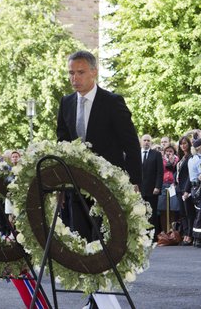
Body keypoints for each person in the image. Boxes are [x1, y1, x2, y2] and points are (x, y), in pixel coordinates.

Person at [56, 50, 142, 241]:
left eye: (80, 72)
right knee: (80, 240)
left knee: (106, 242)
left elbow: (131, 144)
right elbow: (61, 144)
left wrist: (134, 181)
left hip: (109, 185)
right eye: (71, 73)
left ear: (94, 72)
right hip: (77, 186)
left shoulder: (112, 102)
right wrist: (60, 185)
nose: (74, 78)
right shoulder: (66, 103)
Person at [139, 134, 164, 239]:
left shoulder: (156, 154)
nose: (146, 142)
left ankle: (152, 236)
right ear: (141, 141)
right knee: (140, 212)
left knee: (152, 213)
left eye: (148, 140)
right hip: (139, 189)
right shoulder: (136, 153)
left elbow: (160, 172)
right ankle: (141, 235)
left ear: (151, 142)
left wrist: (158, 186)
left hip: (152, 189)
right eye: (144, 140)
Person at [175, 137, 194, 245]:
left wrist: (186, 189)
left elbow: (190, 175)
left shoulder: (191, 157)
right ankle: (185, 233)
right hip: (179, 188)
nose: (183, 146)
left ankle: (189, 234)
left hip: (186, 188)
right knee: (182, 213)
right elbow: (178, 173)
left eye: (185, 143)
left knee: (189, 213)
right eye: (181, 144)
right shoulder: (181, 158)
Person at [158, 145, 179, 232]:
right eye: (167, 151)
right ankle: (164, 231)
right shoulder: (161, 160)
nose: (169, 153)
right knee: (163, 208)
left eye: (171, 151)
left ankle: (172, 230)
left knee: (173, 208)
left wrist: (172, 162)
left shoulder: (177, 160)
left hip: (173, 185)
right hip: (163, 184)